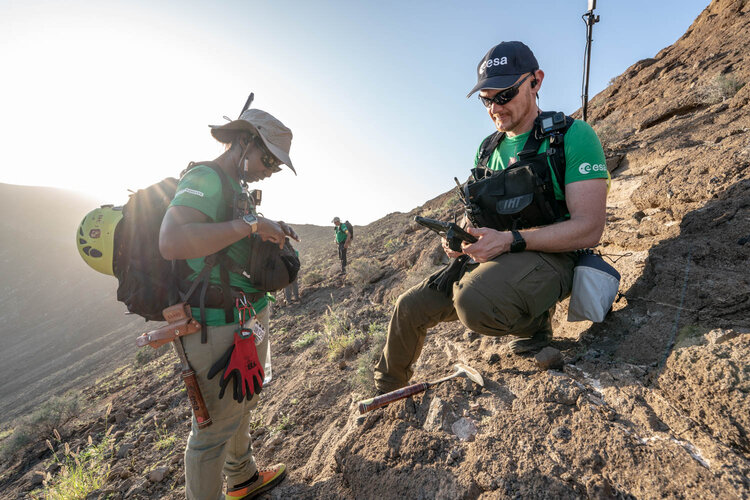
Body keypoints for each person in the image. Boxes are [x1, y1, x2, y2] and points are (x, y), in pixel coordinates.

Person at [374, 41, 609, 393]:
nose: (495, 107)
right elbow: (480, 216)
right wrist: (461, 239)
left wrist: (513, 240)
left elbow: (589, 228)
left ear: (536, 81)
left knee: (474, 302)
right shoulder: (488, 149)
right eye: (487, 99)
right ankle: (387, 391)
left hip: (556, 257)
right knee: (409, 307)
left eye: (505, 95)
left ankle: (534, 324)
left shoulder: (572, 137)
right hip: (501, 255)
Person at [159, 107, 298, 499]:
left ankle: (242, 477)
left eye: (277, 163)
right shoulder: (205, 177)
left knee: (244, 400)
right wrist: (252, 225)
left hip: (243, 317)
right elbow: (171, 241)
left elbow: (229, 237)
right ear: (243, 141)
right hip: (214, 326)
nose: (271, 169)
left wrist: (267, 228)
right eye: (268, 158)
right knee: (212, 431)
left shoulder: (235, 186)